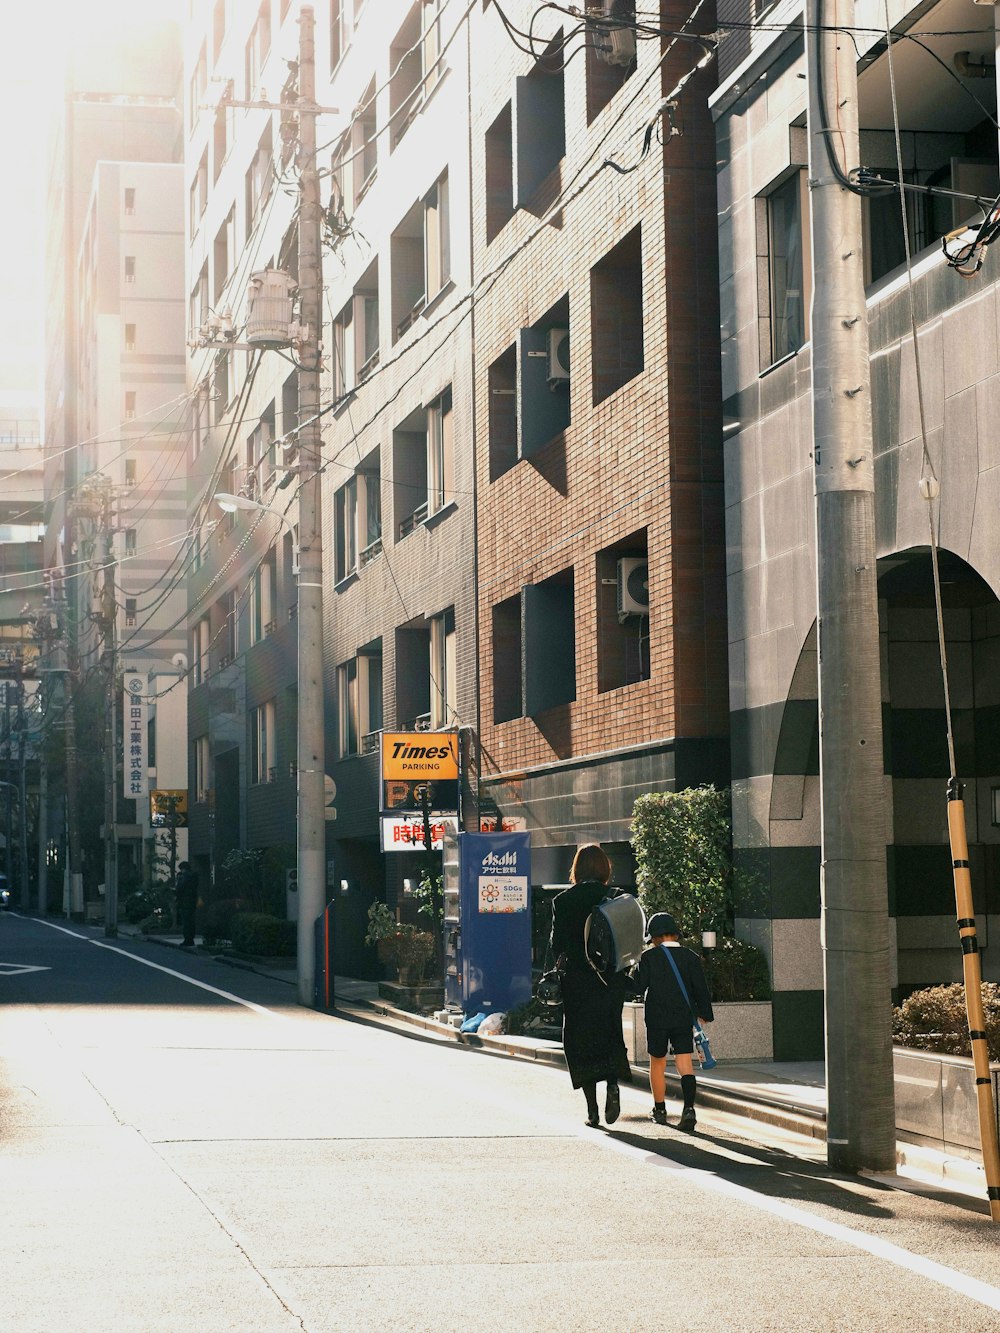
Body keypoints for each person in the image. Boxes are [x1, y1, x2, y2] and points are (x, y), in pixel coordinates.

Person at [550, 844, 631, 1127]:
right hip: (610, 981)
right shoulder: (618, 899)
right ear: (605, 869)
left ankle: (592, 1110)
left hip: (578, 982)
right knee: (609, 1032)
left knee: (580, 1039)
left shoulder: (563, 901)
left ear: (577, 869)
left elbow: (556, 945)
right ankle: (613, 1085)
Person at [630, 911, 714, 1132]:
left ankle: (659, 1110)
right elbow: (701, 989)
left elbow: (637, 987)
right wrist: (704, 1013)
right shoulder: (691, 957)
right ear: (675, 935)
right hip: (682, 1017)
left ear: (654, 937)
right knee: (684, 1063)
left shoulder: (648, 958)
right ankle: (688, 1109)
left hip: (657, 1017)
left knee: (657, 1062)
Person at [175, 860, 199, 948]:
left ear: (183, 868)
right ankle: (191, 939)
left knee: (186, 921)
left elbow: (180, 889)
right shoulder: (194, 876)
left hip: (184, 902)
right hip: (192, 901)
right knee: (191, 921)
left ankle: (187, 940)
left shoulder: (183, 877)